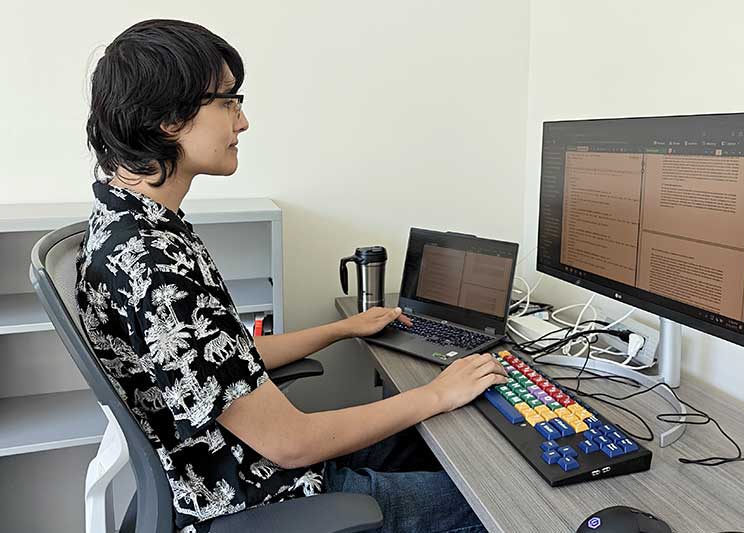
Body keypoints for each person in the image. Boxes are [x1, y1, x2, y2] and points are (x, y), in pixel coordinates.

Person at [77, 19, 508, 533]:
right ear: (171, 118)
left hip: (234, 466)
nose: (243, 122)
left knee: (440, 433)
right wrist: (435, 393)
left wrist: (341, 329)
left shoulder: (130, 226)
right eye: (229, 101)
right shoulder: (154, 265)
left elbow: (220, 361)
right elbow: (290, 444)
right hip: (260, 491)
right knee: (499, 499)